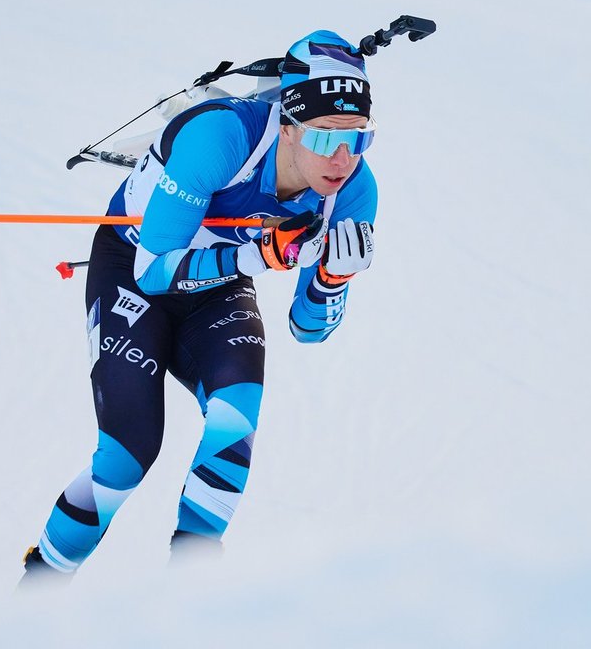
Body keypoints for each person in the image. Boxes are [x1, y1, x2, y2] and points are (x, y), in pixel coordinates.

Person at [20, 30, 378, 584]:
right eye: (325, 136)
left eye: (359, 137)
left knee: (236, 418)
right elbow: (152, 271)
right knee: (126, 456)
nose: (343, 158)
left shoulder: (353, 191)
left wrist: (331, 280)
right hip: (135, 266)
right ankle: (36, 592)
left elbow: (308, 329)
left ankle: (187, 598)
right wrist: (259, 254)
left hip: (219, 284)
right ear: (287, 126)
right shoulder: (221, 136)